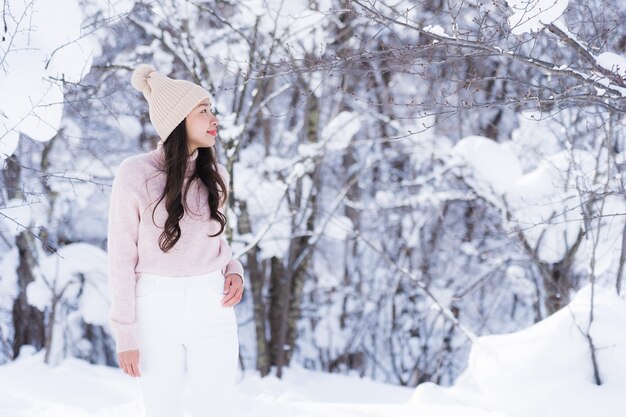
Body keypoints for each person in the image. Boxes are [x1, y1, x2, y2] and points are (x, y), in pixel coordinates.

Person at [106, 63, 245, 417]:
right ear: (178, 120)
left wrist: (235, 270)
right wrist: (126, 334)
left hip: (213, 307)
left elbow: (219, 243)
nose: (214, 118)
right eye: (203, 111)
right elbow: (121, 257)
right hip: (155, 310)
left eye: (211, 109)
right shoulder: (134, 173)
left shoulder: (217, 176)